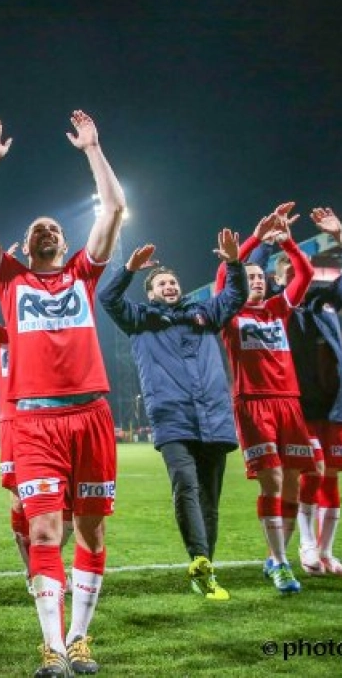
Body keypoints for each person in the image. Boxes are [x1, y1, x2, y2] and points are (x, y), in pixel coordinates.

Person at [0, 113, 125, 678]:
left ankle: (80, 638)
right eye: (37, 229)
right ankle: (52, 647)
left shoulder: (84, 272)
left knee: (94, 529)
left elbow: (116, 210)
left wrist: (93, 150)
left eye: (54, 227)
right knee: (44, 530)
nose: (46, 230)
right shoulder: (8, 280)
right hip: (33, 423)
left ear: (65, 240)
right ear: (25, 245)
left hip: (92, 415)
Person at [97, 231, 248, 600]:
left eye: (173, 281)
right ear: (151, 292)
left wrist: (234, 263)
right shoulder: (141, 319)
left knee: (210, 499)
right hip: (173, 419)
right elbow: (107, 298)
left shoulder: (205, 313)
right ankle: (199, 557)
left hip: (213, 418)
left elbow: (235, 295)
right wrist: (129, 269)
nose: (169, 286)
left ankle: (205, 569)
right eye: (162, 282)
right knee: (186, 486)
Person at [248, 207, 342, 578]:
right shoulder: (276, 307)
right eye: (286, 272)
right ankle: (305, 546)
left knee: (329, 475)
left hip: (334, 404)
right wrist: (268, 244)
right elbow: (248, 274)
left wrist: (341, 237)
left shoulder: (327, 300)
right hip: (297, 405)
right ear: (277, 279)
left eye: (299, 270)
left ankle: (327, 553)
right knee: (310, 474)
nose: (297, 276)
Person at [215, 203, 317, 595]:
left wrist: (287, 243)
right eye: (250, 276)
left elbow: (304, 273)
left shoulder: (278, 309)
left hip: (289, 402)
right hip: (253, 403)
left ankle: (276, 557)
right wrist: (256, 238)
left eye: (261, 276)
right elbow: (227, 271)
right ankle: (282, 563)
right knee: (272, 480)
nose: (256, 281)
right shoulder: (232, 314)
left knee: (292, 484)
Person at [0, 254, 76, 587]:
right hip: (13, 423)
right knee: (18, 499)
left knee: (67, 504)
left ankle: (45, 559)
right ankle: (33, 569)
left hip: (51, 419)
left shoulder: (45, 330)